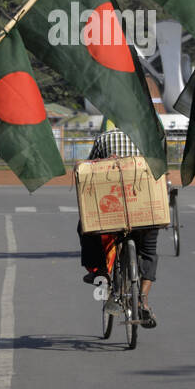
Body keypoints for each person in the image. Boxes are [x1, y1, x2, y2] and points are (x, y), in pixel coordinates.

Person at [78, 120, 161, 329]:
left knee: (85, 228)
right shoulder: (150, 139)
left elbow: (89, 169)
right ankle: (143, 299)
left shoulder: (105, 138)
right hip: (144, 212)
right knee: (150, 251)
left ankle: (100, 273)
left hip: (112, 212)